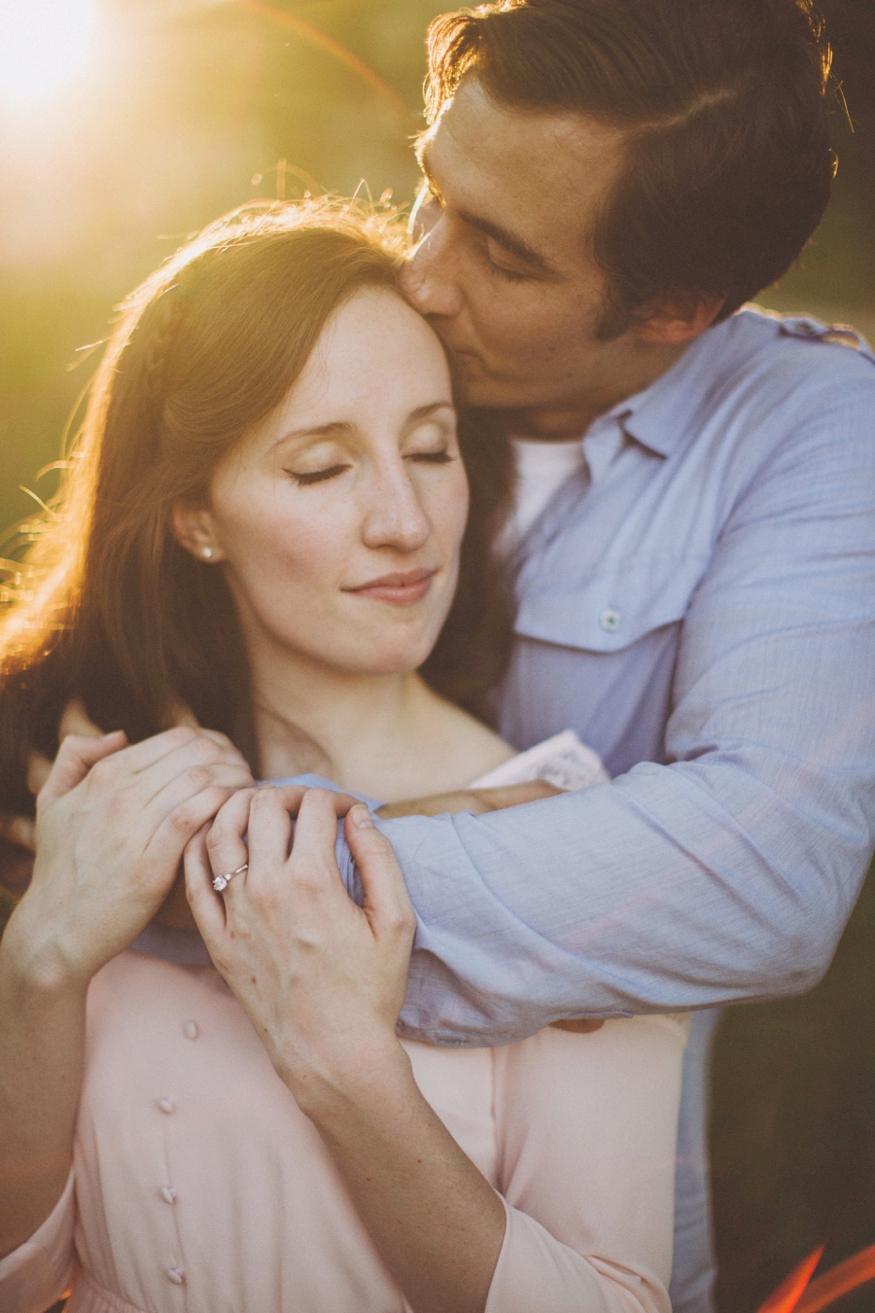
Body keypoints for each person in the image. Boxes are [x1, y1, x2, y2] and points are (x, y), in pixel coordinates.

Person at [0, 202, 687, 1313]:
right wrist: (38, 969)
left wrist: (348, 1071)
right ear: (195, 515)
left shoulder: (576, 834)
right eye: (322, 467)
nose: (406, 520)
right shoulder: (67, 788)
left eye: (430, 446)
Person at [309, 2, 874, 1309]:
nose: (419, 274)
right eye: (428, 192)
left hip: (554, 1228)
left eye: (500, 255)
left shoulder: (817, 442)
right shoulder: (342, 332)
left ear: (673, 307)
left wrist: (262, 884)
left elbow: (763, 868)